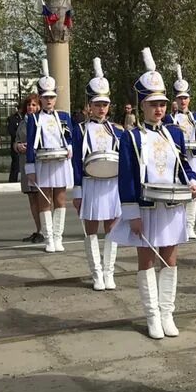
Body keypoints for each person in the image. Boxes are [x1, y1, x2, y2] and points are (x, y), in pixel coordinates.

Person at [112, 48, 196, 338]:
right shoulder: (132, 137)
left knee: (170, 258)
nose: (159, 109)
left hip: (172, 205)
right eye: (152, 104)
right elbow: (126, 176)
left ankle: (167, 312)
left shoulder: (174, 133)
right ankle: (151, 315)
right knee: (147, 259)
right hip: (147, 207)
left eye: (162, 103)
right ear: (142, 107)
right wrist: (132, 213)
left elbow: (184, 164)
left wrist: (193, 181)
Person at [72, 59, 123, 291]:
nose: (102, 108)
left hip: (111, 184)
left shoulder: (116, 130)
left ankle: (109, 271)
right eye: (97, 104)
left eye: (105, 104)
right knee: (91, 229)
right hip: (91, 183)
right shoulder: (80, 129)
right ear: (89, 106)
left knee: (112, 228)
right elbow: (75, 162)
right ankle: (96, 274)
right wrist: (77, 190)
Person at [25, 60, 74, 253]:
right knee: (45, 199)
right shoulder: (34, 118)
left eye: (52, 97)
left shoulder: (63, 116)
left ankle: (58, 236)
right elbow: (30, 142)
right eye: (45, 98)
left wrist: (70, 147)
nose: (49, 101)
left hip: (60, 161)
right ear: (41, 98)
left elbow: (69, 137)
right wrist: (30, 168)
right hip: (42, 162)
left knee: (60, 199)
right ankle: (48, 238)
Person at [166, 66, 196, 240]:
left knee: (194, 192)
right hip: (179, 158)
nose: (183, 101)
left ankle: (190, 225)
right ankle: (179, 225)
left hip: (194, 157)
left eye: (186, 98)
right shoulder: (169, 118)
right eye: (180, 98)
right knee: (180, 191)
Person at [14, 94, 44, 243]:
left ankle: (45, 229)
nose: (30, 107)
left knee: (42, 197)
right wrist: (18, 146)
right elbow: (16, 140)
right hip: (25, 162)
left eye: (34, 105)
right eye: (29, 105)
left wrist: (32, 148)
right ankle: (38, 229)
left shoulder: (42, 121)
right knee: (32, 198)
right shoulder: (22, 123)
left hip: (39, 163)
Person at [6, 106, 21, 182]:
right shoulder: (12, 118)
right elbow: (11, 130)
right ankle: (13, 179)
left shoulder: (27, 117)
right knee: (16, 162)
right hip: (15, 143)